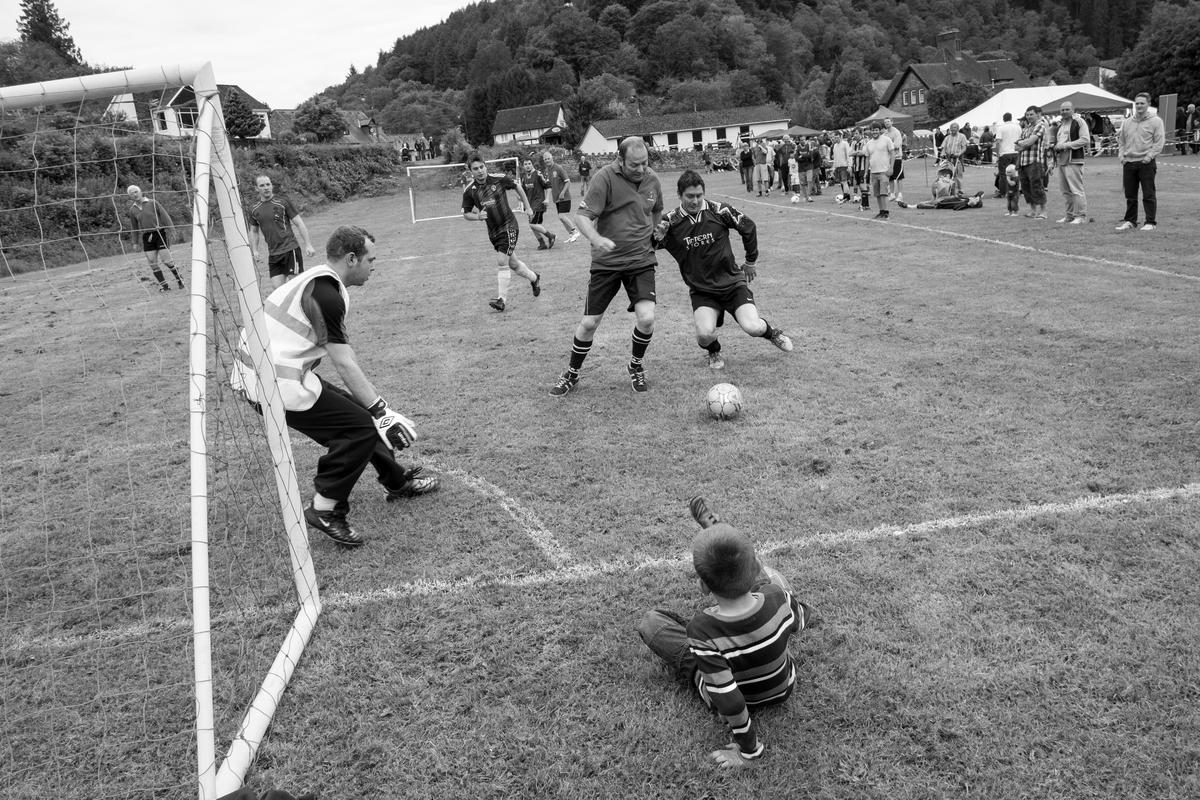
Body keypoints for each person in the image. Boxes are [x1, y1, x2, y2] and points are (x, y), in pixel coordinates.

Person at [230, 225, 439, 547]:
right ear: (352, 258)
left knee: (359, 417)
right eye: (371, 259)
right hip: (273, 384)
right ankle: (325, 509)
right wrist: (382, 412)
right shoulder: (325, 293)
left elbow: (344, 354)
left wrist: (373, 409)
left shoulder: (320, 282)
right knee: (358, 429)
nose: (374, 266)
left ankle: (396, 483)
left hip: (271, 374)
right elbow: (343, 362)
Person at [637, 496, 813, 769]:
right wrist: (783, 601)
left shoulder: (701, 629)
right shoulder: (776, 597)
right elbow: (802, 618)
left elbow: (728, 700)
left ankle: (716, 538)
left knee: (652, 622)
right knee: (776, 585)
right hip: (783, 688)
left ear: (703, 587)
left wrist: (749, 750)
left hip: (735, 685)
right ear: (755, 569)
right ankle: (720, 536)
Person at [548, 136, 663, 396]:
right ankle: (572, 374)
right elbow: (582, 216)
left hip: (640, 260)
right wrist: (596, 238)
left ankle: (635, 366)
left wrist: (656, 231)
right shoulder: (605, 178)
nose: (641, 169)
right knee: (590, 323)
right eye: (635, 164)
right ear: (620, 159)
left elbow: (656, 209)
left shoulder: (652, 178)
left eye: (645, 163)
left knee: (647, 318)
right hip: (607, 263)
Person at [654, 170, 794, 371]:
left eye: (699, 195)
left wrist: (750, 261)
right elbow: (649, 247)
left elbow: (748, 226)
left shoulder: (719, 210)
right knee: (704, 335)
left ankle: (772, 333)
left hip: (732, 284)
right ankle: (714, 351)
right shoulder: (669, 222)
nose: (695, 201)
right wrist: (656, 238)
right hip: (702, 291)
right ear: (679, 195)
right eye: (689, 196)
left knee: (753, 327)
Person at [461, 153, 541, 311]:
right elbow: (465, 213)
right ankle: (534, 278)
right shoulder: (470, 191)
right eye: (475, 169)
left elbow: (517, 186)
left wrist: (528, 206)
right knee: (514, 264)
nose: (480, 171)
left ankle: (501, 300)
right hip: (493, 232)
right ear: (471, 171)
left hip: (509, 226)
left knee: (501, 261)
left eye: (482, 167)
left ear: (485, 166)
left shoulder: (499, 178)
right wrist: (477, 216)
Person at [248, 175, 317, 290]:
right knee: (278, 290)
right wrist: (254, 250)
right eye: (262, 185)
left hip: (290, 250)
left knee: (297, 287)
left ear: (271, 186)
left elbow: (299, 223)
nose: (266, 188)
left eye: (268, 184)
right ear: (256, 188)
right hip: (274, 254)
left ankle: (308, 306)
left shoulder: (282, 202)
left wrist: (308, 245)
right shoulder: (254, 209)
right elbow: (253, 231)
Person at [1116, 92, 1165, 232]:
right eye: (1137, 103)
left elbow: (1159, 142)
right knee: (1130, 195)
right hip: (1129, 163)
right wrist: (1122, 156)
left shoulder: (1156, 121)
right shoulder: (1127, 122)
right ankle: (1130, 220)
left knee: (1148, 193)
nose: (1139, 106)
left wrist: (1149, 157)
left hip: (1146, 163)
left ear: (1148, 104)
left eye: (1142, 103)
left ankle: (1150, 222)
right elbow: (1122, 142)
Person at [126, 185, 185, 292]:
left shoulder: (152, 202)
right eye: (131, 194)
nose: (135, 195)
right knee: (152, 263)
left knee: (167, 261)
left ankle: (180, 280)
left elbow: (165, 216)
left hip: (160, 233)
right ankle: (165, 287)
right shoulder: (132, 210)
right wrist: (135, 242)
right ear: (129, 196)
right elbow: (134, 227)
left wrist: (171, 230)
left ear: (140, 192)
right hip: (147, 237)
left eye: (136, 192)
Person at [1049, 101, 1090, 224]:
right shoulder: (1060, 125)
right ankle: (1069, 215)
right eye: (1062, 110)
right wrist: (1052, 160)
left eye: (1067, 109)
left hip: (1074, 160)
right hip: (1061, 161)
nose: (1064, 112)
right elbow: (1056, 145)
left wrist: (1065, 145)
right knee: (1065, 191)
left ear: (1073, 110)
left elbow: (1085, 139)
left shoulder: (1079, 122)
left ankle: (1081, 216)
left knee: (1076, 189)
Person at [1015, 105, 1048, 220]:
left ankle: (1043, 212)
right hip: (1023, 162)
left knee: (1037, 186)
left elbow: (1029, 142)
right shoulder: (1026, 128)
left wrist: (1022, 143)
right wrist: (1024, 143)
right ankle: (1033, 211)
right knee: (1026, 188)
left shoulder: (1040, 125)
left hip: (1034, 161)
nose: (1029, 117)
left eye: (1031, 114)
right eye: (1027, 114)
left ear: (1038, 114)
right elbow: (1016, 146)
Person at [541, 150, 581, 243]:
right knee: (561, 218)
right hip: (557, 199)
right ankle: (571, 235)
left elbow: (567, 181)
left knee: (562, 216)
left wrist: (563, 192)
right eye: (545, 159)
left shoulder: (558, 168)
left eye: (548, 158)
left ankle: (575, 231)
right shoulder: (547, 170)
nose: (547, 160)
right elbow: (549, 184)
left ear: (552, 158)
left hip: (564, 197)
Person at [519, 157, 555, 250]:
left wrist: (547, 198)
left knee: (532, 224)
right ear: (523, 166)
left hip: (539, 203)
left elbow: (548, 186)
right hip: (530, 206)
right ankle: (542, 244)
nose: (527, 166)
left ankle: (550, 236)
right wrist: (522, 200)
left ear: (532, 164)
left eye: (529, 164)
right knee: (534, 226)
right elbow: (524, 193)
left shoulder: (538, 174)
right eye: (525, 164)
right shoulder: (523, 177)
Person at [865, 122, 895, 220]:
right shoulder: (869, 143)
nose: (874, 132)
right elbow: (867, 158)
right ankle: (881, 211)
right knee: (877, 194)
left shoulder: (887, 140)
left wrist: (891, 168)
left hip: (884, 171)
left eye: (876, 130)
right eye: (873, 130)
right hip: (873, 172)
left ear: (880, 130)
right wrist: (866, 172)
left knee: (883, 193)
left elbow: (892, 154)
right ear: (871, 131)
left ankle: (886, 212)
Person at [993, 112, 1022, 197]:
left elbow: (998, 142)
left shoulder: (1000, 128)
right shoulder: (1018, 127)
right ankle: (1015, 191)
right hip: (1015, 152)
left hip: (1004, 153)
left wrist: (997, 154)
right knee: (1015, 173)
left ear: (1003, 119)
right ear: (1011, 118)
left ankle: (1003, 193)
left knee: (1003, 174)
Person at [883, 118, 905, 202]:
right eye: (885, 122)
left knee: (899, 177)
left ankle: (900, 195)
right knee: (890, 177)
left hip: (897, 157)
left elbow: (896, 145)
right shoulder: (885, 133)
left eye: (888, 121)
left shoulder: (896, 132)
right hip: (888, 158)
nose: (887, 123)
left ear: (892, 122)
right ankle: (892, 194)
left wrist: (888, 146)